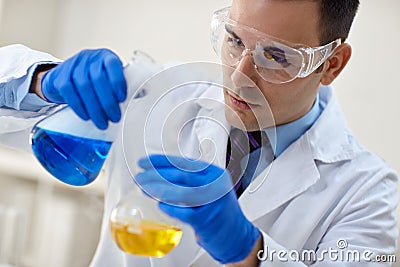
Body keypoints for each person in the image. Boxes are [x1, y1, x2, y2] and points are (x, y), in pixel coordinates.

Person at [0, 0, 397, 266]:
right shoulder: (157, 95)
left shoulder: (368, 193)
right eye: (235, 41)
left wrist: (249, 251)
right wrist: (41, 81)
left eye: (276, 57)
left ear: (332, 64)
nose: (240, 77)